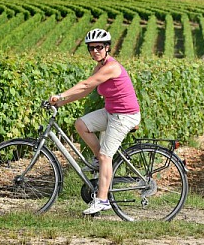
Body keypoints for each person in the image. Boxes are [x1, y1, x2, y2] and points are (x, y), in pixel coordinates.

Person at [49, 28, 141, 215]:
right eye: (91, 48)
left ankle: (102, 200)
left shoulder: (112, 67)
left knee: (106, 156)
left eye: (99, 47)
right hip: (111, 112)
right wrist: (62, 102)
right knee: (81, 124)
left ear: (107, 47)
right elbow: (86, 91)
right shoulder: (99, 67)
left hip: (125, 115)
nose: (95, 51)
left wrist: (60, 94)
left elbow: (85, 84)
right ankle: (100, 162)